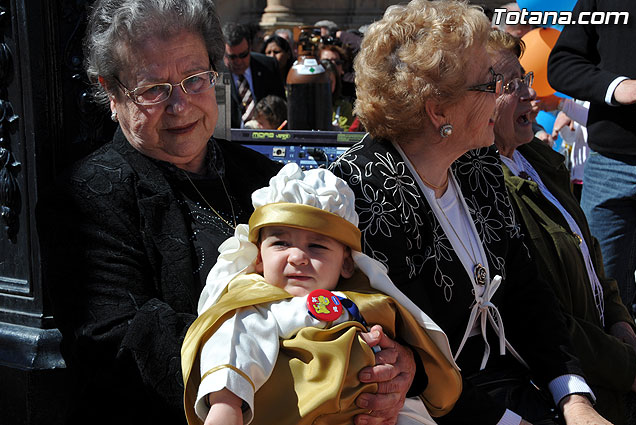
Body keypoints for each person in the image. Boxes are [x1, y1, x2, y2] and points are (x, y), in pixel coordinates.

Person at [330, 1, 611, 424]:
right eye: (490, 82)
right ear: (438, 110)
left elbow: (526, 292)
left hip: (511, 385)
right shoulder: (361, 196)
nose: (503, 94)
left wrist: (573, 399)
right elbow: (415, 367)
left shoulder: (475, 164)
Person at [37, 1, 283, 424]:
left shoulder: (269, 178)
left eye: (194, 80)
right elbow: (123, 340)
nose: (180, 105)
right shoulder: (86, 195)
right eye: (154, 89)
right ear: (112, 93)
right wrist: (291, 364)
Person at [182, 163, 463, 425]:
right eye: (280, 243)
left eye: (317, 246)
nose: (298, 257)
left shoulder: (369, 300)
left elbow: (407, 354)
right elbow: (233, 347)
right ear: (258, 259)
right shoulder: (257, 307)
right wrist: (226, 406)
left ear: (346, 262)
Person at [489, 29, 636, 425]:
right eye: (511, 85)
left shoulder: (537, 159)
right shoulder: (484, 186)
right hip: (569, 391)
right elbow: (540, 316)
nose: (529, 95)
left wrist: (622, 321)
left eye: (527, 79)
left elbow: (590, 252)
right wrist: (629, 367)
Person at [548, 0, 636, 312]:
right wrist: (619, 87)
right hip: (609, 166)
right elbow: (561, 65)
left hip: (606, 166)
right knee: (597, 295)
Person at [222, 23, 285, 128]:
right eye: (232, 57)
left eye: (243, 55)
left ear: (250, 47)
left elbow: (280, 106)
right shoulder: (214, 72)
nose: (238, 61)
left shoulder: (268, 66)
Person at [320, 59, 354, 131]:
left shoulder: (344, 107)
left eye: (330, 82)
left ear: (336, 82)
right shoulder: (305, 106)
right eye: (322, 83)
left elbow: (347, 136)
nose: (326, 87)